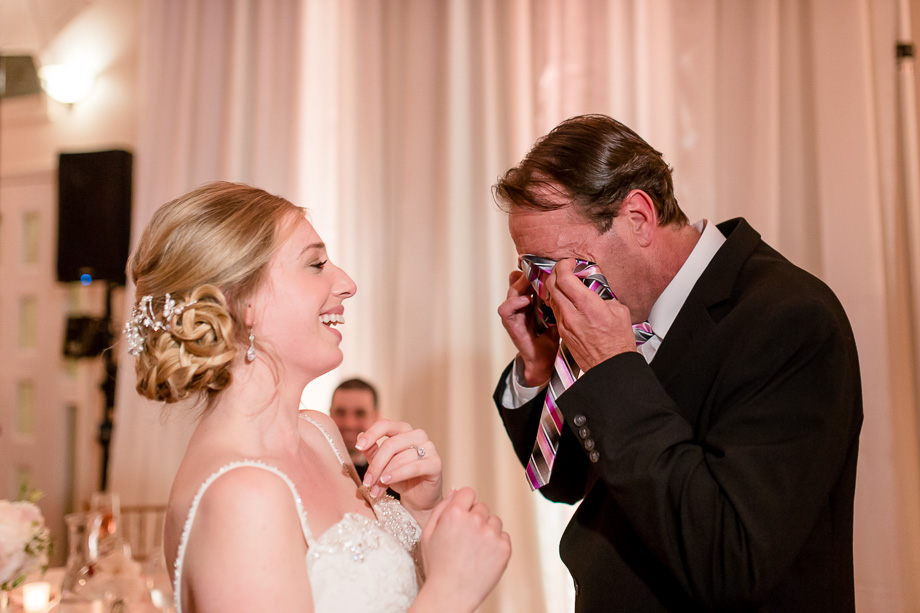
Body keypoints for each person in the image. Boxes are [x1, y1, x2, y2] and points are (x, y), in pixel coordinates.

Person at [492, 114, 862, 612]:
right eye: (529, 268)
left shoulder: (790, 320)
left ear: (638, 218)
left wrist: (612, 367)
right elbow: (566, 482)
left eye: (553, 264)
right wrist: (541, 370)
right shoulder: (619, 313)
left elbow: (730, 557)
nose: (546, 289)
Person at [125, 181, 510, 612]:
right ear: (242, 302)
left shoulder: (319, 434)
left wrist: (420, 513)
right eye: (315, 264)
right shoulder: (241, 496)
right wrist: (454, 589)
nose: (347, 284)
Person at [329, 378, 382, 481]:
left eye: (360, 413)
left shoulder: (391, 481)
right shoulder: (310, 469)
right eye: (340, 412)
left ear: (376, 418)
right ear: (330, 414)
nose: (349, 424)